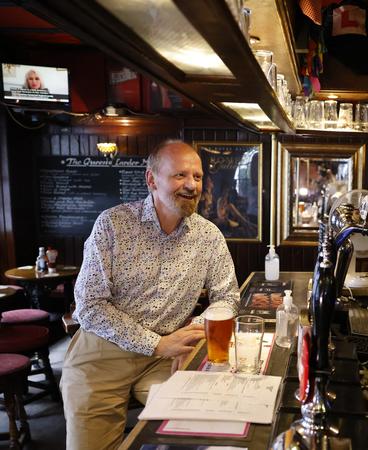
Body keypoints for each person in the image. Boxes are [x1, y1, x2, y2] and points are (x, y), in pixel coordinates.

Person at [62, 140, 241, 450]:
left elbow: (228, 297)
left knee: (204, 426)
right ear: (151, 180)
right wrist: (155, 344)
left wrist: (196, 332)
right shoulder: (113, 225)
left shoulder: (209, 235)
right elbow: (89, 306)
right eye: (180, 175)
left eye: (197, 177)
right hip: (101, 355)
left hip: (168, 354)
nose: (191, 185)